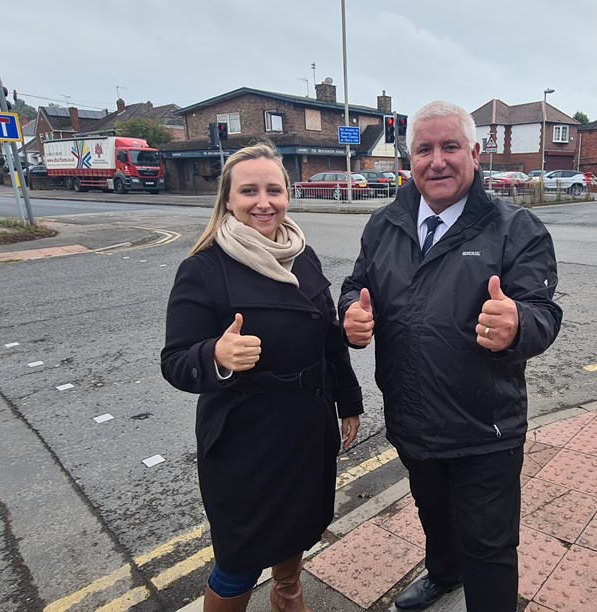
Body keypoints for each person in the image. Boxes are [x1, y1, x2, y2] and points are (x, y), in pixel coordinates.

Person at [339, 101, 562, 611]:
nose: (436, 161)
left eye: (450, 147)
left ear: (475, 153)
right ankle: (442, 574)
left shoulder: (516, 229)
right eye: (424, 149)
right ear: (409, 159)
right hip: (412, 419)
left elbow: (542, 312)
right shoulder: (384, 225)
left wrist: (518, 325)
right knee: (434, 518)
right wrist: (351, 313)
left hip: (485, 429)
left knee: (489, 547)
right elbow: (356, 286)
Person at [161, 141, 363, 612]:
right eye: (249, 191)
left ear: (288, 193)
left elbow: (329, 337)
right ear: (228, 200)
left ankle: (287, 593)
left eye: (274, 189)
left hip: (307, 425)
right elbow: (174, 361)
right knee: (240, 554)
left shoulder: (302, 253)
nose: (263, 201)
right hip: (244, 438)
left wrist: (348, 401)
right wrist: (216, 354)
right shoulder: (203, 268)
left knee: (299, 523)